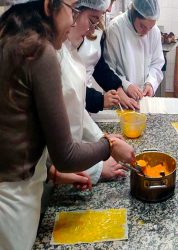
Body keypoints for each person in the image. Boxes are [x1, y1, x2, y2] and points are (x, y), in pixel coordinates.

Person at [0, 1, 134, 249]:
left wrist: (53, 174)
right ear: (51, 4)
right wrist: (109, 145)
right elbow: (66, 155)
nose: (73, 21)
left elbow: (17, 130)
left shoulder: (13, 33)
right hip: (12, 201)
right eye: (72, 11)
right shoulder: (40, 51)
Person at [49, 0, 127, 190]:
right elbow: (50, 149)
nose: (93, 30)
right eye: (92, 21)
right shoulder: (49, 57)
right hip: (42, 180)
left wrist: (104, 139)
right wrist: (97, 166)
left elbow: (76, 110)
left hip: (63, 170)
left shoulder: (70, 52)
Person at [78, 0, 138, 112]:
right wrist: (99, 100)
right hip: (73, 103)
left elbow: (99, 67)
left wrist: (118, 89)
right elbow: (67, 86)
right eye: (109, 2)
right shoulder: (67, 36)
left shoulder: (97, 30)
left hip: (83, 105)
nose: (109, 9)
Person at [104, 0, 164, 107]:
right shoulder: (115, 29)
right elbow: (108, 69)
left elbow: (157, 64)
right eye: (142, 26)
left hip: (144, 99)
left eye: (150, 28)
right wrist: (126, 85)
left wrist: (150, 84)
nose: (146, 32)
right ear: (133, 13)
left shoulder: (154, 32)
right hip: (120, 97)